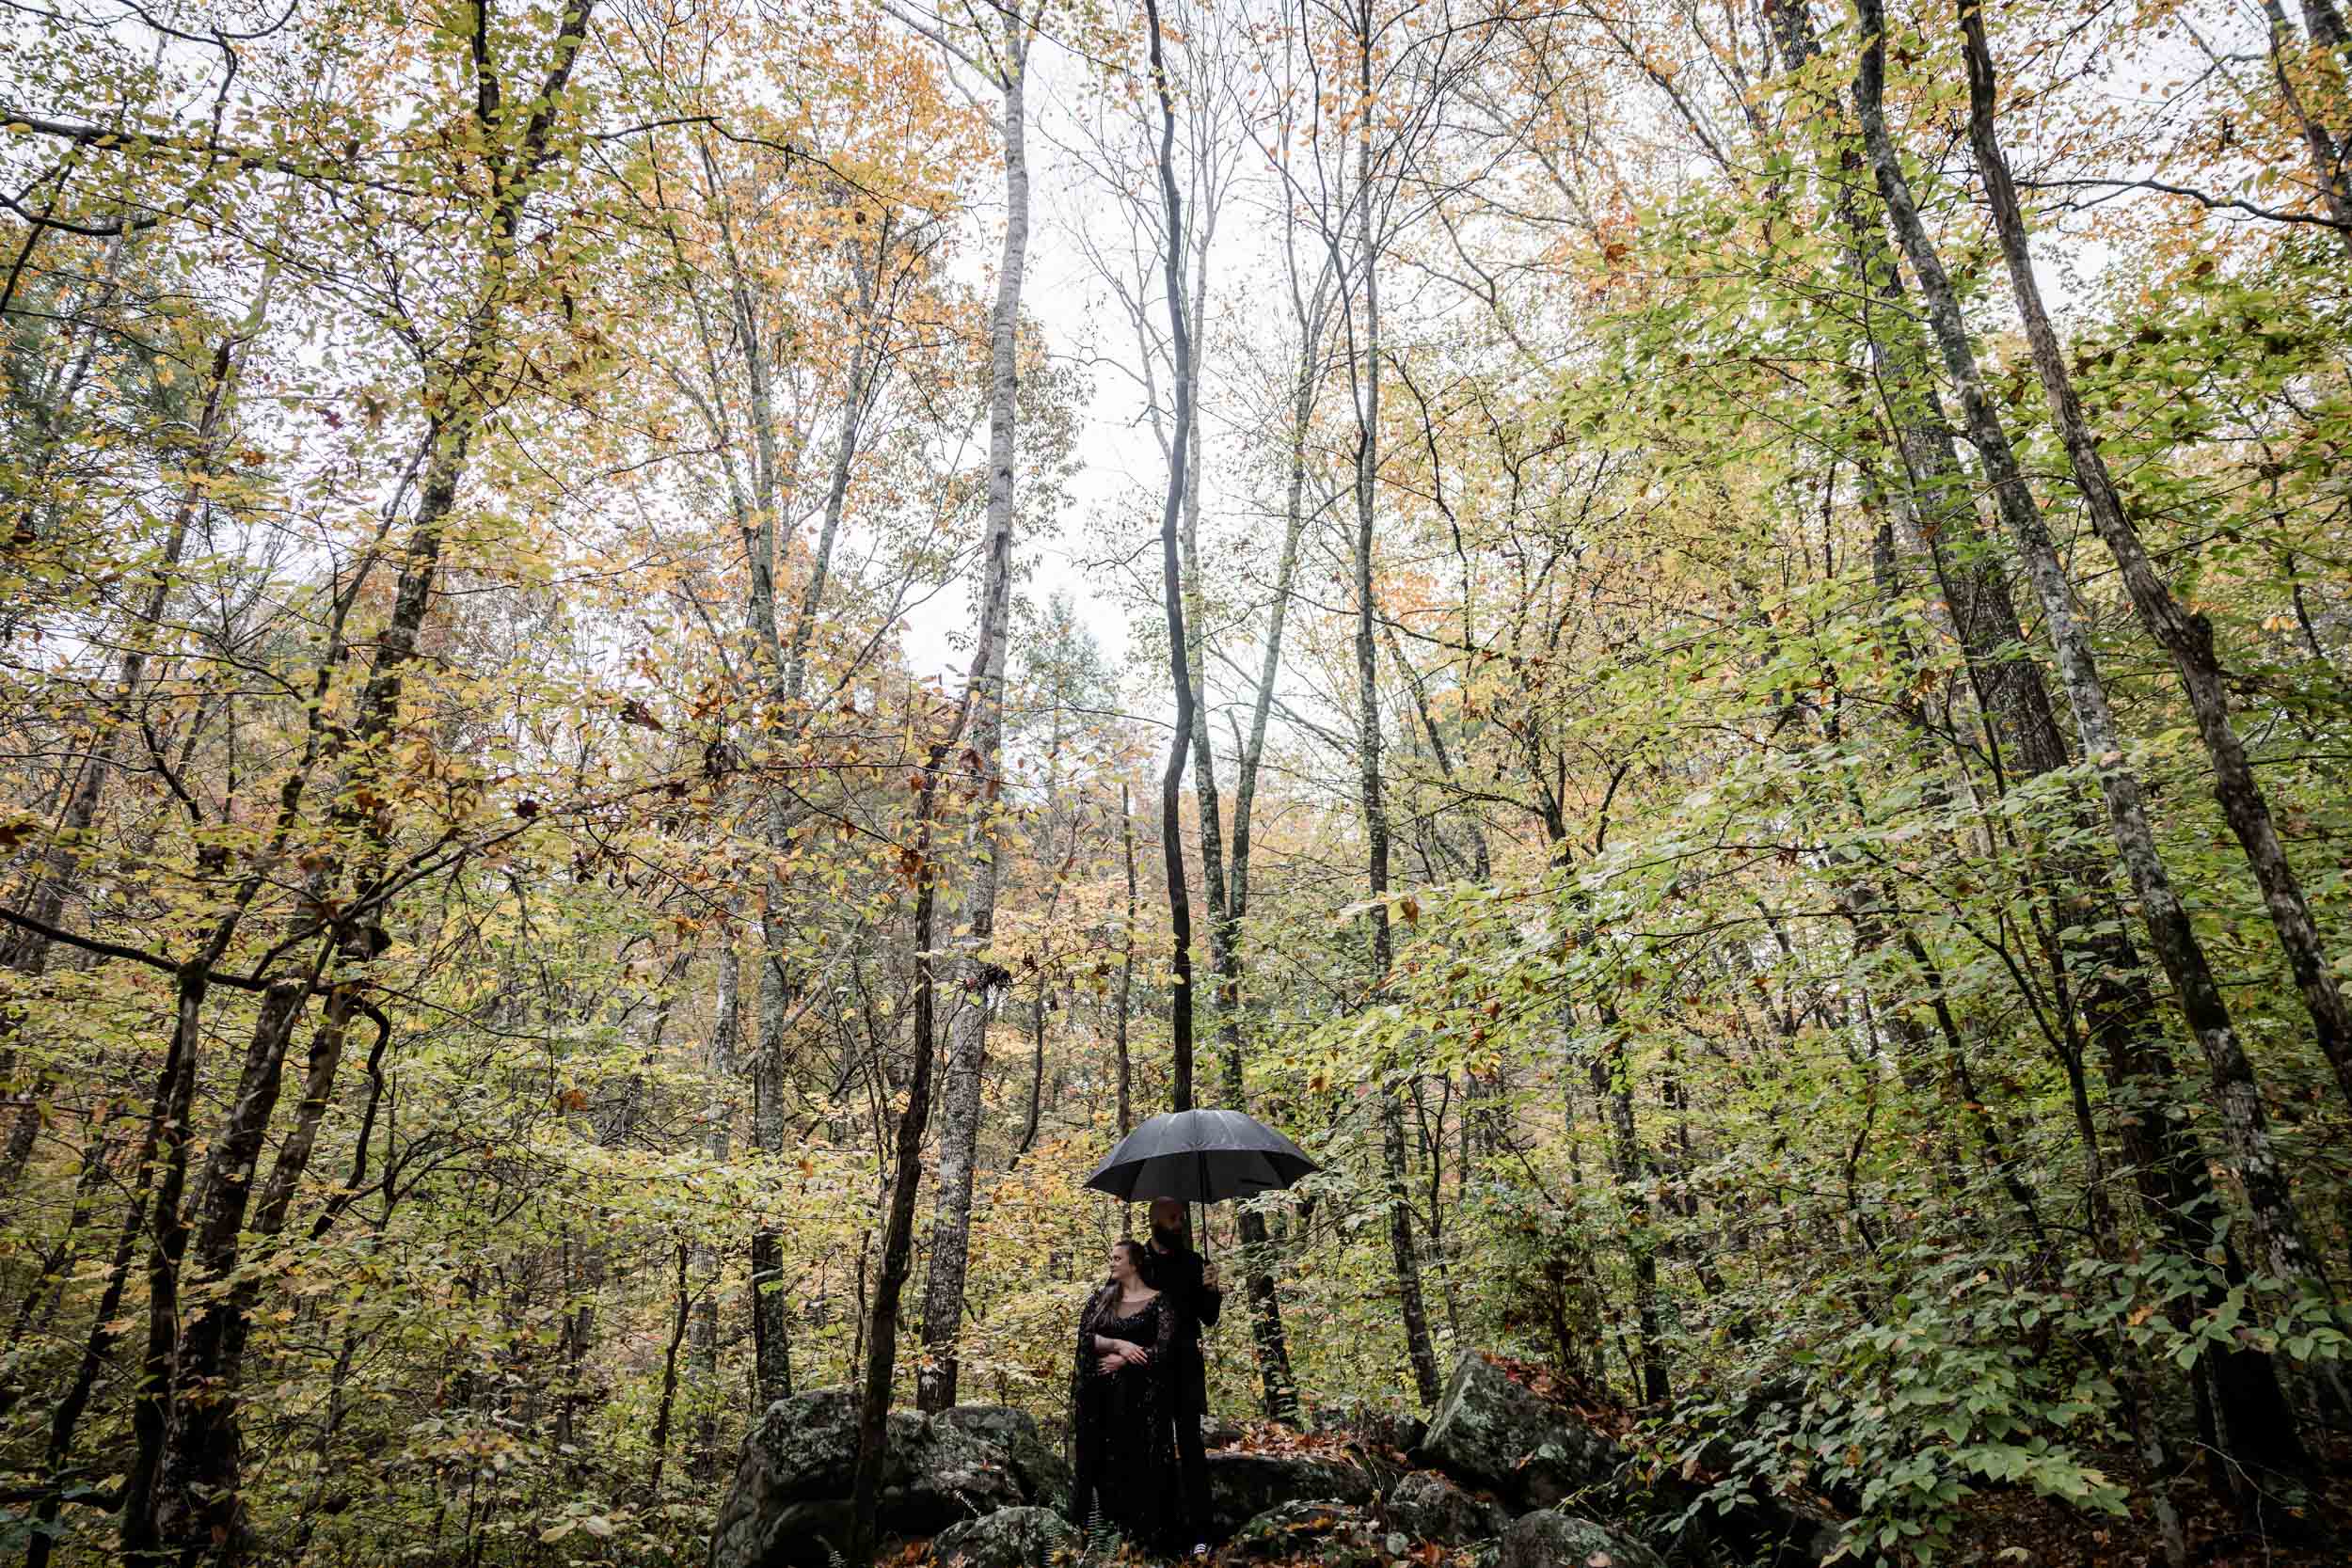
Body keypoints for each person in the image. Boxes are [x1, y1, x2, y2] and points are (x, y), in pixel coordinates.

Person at [1067, 1239, 1184, 1550]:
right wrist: (1118, 1345)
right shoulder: (1101, 1299)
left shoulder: (1161, 1302)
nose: (1112, 1262)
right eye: (1111, 1257)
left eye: (1117, 1258)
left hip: (1141, 1405)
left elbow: (1164, 1349)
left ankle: (1140, 1541)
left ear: (1134, 1264)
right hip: (1100, 1403)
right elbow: (1084, 1339)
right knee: (1101, 1464)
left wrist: (1124, 1361)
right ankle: (1098, 1538)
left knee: (1138, 1466)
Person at [1143, 1197, 1220, 1557]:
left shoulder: (1194, 1262)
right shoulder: (1138, 1264)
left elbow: (1209, 1317)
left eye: (1182, 1218)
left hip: (1187, 1369)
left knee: (1191, 1450)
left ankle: (1202, 1534)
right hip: (1148, 1373)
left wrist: (1211, 1288)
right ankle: (1161, 1534)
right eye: (1173, 1219)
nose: (1179, 1224)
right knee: (1153, 1451)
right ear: (1155, 1221)